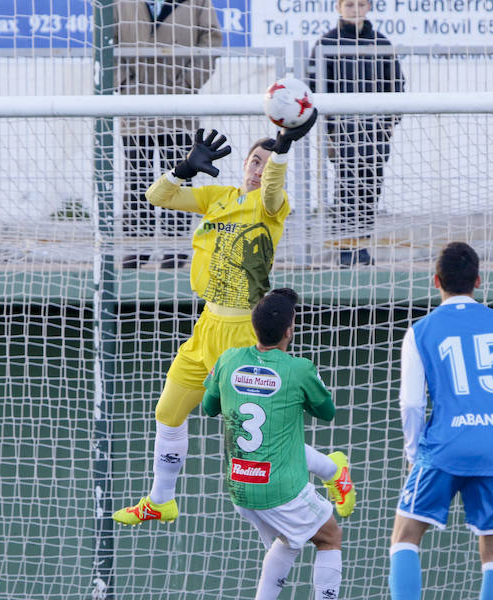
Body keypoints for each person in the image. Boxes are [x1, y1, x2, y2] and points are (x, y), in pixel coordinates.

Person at [112, 113, 354, 526]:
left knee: (249, 431)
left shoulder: (272, 205)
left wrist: (283, 149)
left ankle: (333, 470)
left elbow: (274, 186)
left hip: (244, 331)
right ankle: (160, 500)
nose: (260, 170)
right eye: (255, 161)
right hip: (207, 325)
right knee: (168, 413)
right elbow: (158, 197)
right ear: (243, 165)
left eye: (267, 162)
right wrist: (183, 169)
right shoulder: (216, 197)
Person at [388, 242, 493, 600]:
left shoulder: (420, 331)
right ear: (478, 280)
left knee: (405, 537)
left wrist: (416, 454)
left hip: (444, 449)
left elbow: (412, 405)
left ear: (436, 281)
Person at [202, 288, 355, 600]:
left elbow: (207, 407)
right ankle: (334, 471)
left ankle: (331, 470)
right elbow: (327, 412)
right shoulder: (298, 369)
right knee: (330, 537)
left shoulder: (228, 359)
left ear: (253, 327)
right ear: (290, 330)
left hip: (240, 487)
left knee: (288, 541)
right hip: (280, 489)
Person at [114, 0, 223, 269]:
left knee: (179, 176)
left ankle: (176, 249)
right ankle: (137, 247)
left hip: (179, 111)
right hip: (135, 108)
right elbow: (107, 41)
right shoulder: (118, 3)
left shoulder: (198, 2)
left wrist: (187, 84)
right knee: (137, 177)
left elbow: (210, 40)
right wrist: (126, 84)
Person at [307, 0, 404, 267]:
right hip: (343, 133)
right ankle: (346, 248)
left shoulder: (381, 43)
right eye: (349, 4)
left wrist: (388, 123)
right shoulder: (326, 43)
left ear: (369, 7)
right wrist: (331, 129)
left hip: (375, 133)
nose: (355, 9)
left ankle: (362, 245)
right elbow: (313, 86)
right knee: (347, 188)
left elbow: (396, 84)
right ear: (338, 8)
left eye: (361, 4)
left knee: (371, 188)